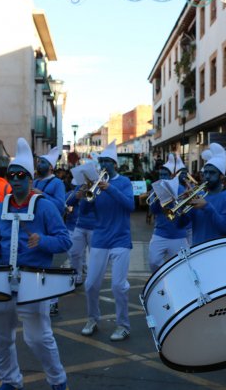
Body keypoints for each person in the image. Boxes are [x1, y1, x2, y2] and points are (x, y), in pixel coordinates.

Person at [0, 138, 71, 390]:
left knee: (38, 338)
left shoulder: (45, 207)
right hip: (2, 279)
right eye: (12, 175)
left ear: (30, 178)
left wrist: (42, 241)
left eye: (21, 175)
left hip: (33, 279)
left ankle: (58, 380)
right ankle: (10, 380)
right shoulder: (0, 209)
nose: (16, 179)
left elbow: (64, 241)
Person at [79, 140, 135, 342]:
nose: (103, 164)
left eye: (107, 161)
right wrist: (84, 195)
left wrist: (109, 188)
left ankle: (123, 325)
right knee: (90, 284)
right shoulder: (95, 185)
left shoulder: (124, 183)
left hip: (120, 239)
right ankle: (92, 318)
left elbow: (130, 205)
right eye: (101, 161)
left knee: (118, 286)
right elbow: (84, 211)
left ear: (115, 164)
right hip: (100, 239)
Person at [179, 143, 226, 245]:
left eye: (212, 173)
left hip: (219, 251)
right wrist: (183, 207)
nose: (207, 176)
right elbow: (180, 225)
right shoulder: (199, 195)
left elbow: (224, 228)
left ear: (221, 176)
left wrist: (206, 206)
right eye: (205, 173)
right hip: (197, 250)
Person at [33, 146, 66, 316]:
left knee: (49, 267)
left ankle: (53, 301)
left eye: (43, 162)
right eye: (39, 161)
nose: (40, 164)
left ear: (51, 167)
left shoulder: (57, 183)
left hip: (51, 228)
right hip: (36, 226)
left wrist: (42, 194)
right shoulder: (35, 181)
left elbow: (61, 205)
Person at [148, 154, 187, 272]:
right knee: (153, 262)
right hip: (160, 233)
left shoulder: (181, 189)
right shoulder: (155, 188)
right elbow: (153, 211)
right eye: (160, 175)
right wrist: (156, 196)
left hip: (178, 235)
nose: (162, 177)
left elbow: (185, 214)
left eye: (165, 175)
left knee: (181, 267)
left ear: (171, 176)